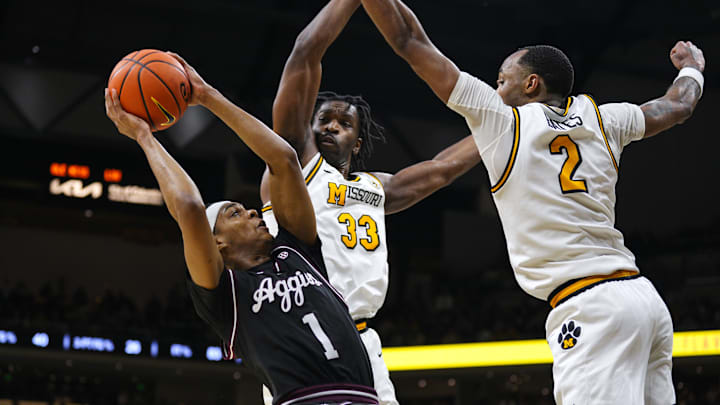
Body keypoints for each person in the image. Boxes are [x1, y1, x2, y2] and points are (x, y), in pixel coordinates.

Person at [358, 1, 705, 403]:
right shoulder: (606, 118)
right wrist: (692, 66)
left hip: (591, 307)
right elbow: (679, 106)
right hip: (644, 300)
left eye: (502, 80)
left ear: (531, 84)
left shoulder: (502, 120)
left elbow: (408, 40)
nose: (496, 88)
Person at [104, 52, 380, 405]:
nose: (251, 211)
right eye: (235, 214)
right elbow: (189, 208)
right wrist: (144, 136)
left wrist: (206, 95)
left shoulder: (297, 251)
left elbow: (283, 159)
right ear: (216, 243)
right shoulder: (225, 293)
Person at [257, 1, 482, 404]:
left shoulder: (377, 188)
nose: (330, 126)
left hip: (362, 338)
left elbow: (441, 168)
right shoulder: (292, 169)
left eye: (343, 124)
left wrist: (503, 123)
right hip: (303, 331)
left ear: (357, 143)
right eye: (323, 120)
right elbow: (305, 52)